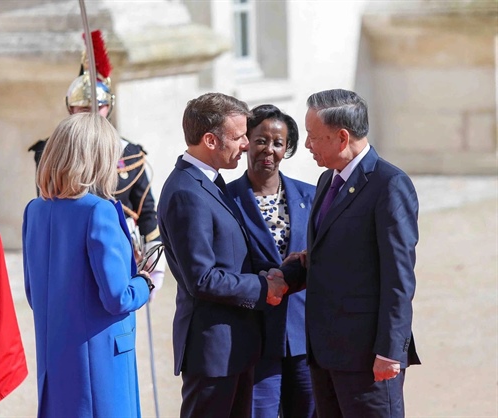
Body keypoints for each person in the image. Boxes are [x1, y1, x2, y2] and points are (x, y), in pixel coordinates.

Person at [270, 89, 420, 417]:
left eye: (312, 136)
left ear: (342, 137)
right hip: (325, 353)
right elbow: (327, 256)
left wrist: (390, 352)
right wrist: (284, 276)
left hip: (368, 358)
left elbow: (399, 277)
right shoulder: (327, 181)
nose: (306, 145)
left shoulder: (389, 185)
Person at [157, 92, 290, 418]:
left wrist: (284, 270)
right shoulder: (187, 192)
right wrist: (263, 288)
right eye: (239, 136)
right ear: (210, 140)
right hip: (213, 352)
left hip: (235, 347)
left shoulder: (210, 182)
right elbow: (202, 278)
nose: (246, 144)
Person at [22, 113, 154, 418]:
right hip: (100, 358)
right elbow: (117, 296)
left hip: (56, 354)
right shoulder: (99, 211)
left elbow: (33, 293)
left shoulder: (35, 210)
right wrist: (143, 283)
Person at [28, 30, 165, 298]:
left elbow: (145, 209)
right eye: (83, 107)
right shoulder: (51, 150)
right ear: (71, 108)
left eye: (98, 107)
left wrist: (152, 262)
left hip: (120, 248)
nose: (91, 113)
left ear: (108, 107)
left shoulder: (130, 151)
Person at [227, 104, 316, 418]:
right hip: (254, 337)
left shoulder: (312, 196)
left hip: (304, 336)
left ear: (287, 149)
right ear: (247, 141)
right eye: (261, 140)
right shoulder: (225, 199)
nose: (269, 149)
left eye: (278, 143)